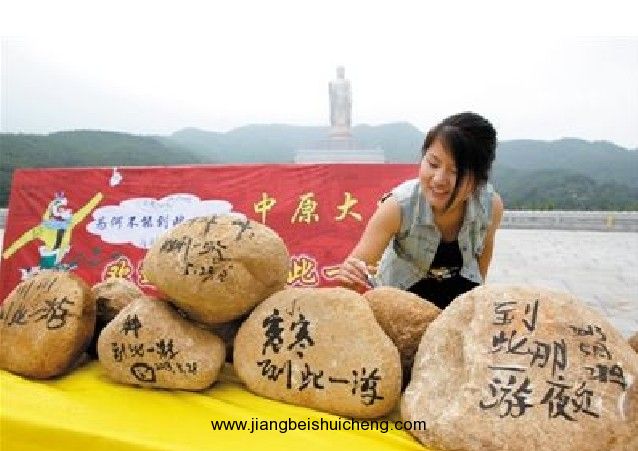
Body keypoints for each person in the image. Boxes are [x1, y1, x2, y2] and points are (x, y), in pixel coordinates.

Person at [337, 112, 504, 309]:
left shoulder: (490, 206)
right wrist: (351, 274)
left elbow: (483, 254)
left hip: (460, 300)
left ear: (478, 180)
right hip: (402, 299)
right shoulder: (398, 207)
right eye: (433, 164)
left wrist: (475, 301)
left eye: (456, 172)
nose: (439, 179)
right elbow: (355, 273)